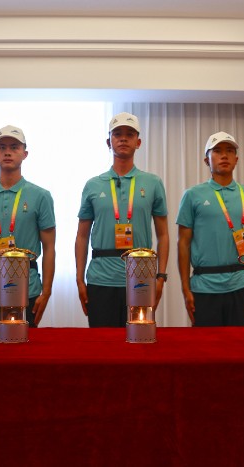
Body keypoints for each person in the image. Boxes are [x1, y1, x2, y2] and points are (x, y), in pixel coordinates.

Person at [75, 112, 169, 327]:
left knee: (139, 341)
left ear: (138, 142)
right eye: (117, 134)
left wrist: (161, 276)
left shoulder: (153, 183)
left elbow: (163, 235)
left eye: (130, 134)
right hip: (101, 278)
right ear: (109, 142)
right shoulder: (93, 185)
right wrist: (80, 279)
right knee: (103, 343)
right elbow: (81, 236)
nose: (123, 138)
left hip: (141, 277)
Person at [0, 125, 56, 337]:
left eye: (14, 147)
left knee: (22, 350)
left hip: (26, 288)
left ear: (25, 153)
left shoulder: (41, 196)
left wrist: (46, 292)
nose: (8, 152)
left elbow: (49, 246)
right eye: (2, 147)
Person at [176, 131, 244, 326]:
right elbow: (183, 243)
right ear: (206, 160)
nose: (224, 155)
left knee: (242, 343)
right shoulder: (192, 195)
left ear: (236, 159)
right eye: (217, 151)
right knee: (207, 344)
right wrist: (185, 288)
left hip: (243, 286)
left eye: (229, 151)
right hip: (204, 287)